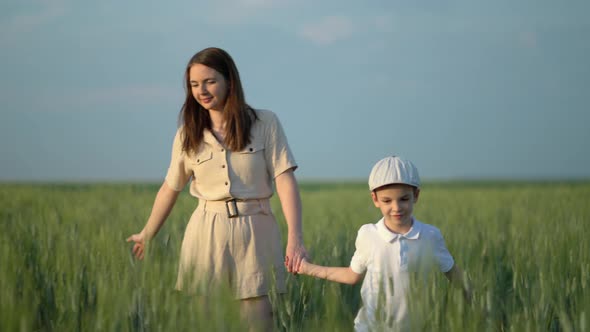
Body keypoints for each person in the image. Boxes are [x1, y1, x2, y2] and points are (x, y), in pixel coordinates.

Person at [126, 47, 308, 330]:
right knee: (206, 323)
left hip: (257, 231)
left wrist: (295, 238)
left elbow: (285, 180)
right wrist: (147, 233)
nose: (202, 91)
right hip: (206, 232)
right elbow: (170, 188)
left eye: (209, 81)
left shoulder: (265, 123)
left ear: (229, 82)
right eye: (194, 84)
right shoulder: (188, 133)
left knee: (259, 323)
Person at [288, 156, 471, 331]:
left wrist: (476, 301)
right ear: (375, 199)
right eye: (387, 200)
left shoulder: (430, 236)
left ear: (416, 195)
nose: (397, 207)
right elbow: (352, 276)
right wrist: (307, 268)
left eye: (404, 199)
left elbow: (453, 273)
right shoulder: (369, 235)